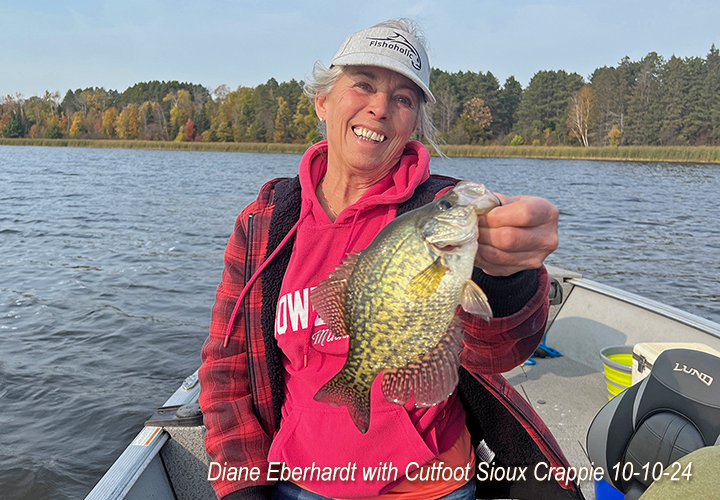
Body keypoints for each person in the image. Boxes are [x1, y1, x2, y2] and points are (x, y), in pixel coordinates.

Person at [199, 19, 582, 500]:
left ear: (414, 121)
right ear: (323, 100)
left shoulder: (440, 209)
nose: (379, 108)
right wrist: (240, 481)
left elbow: (498, 353)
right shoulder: (264, 224)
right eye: (363, 84)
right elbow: (224, 366)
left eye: (403, 98)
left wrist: (507, 276)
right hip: (300, 480)